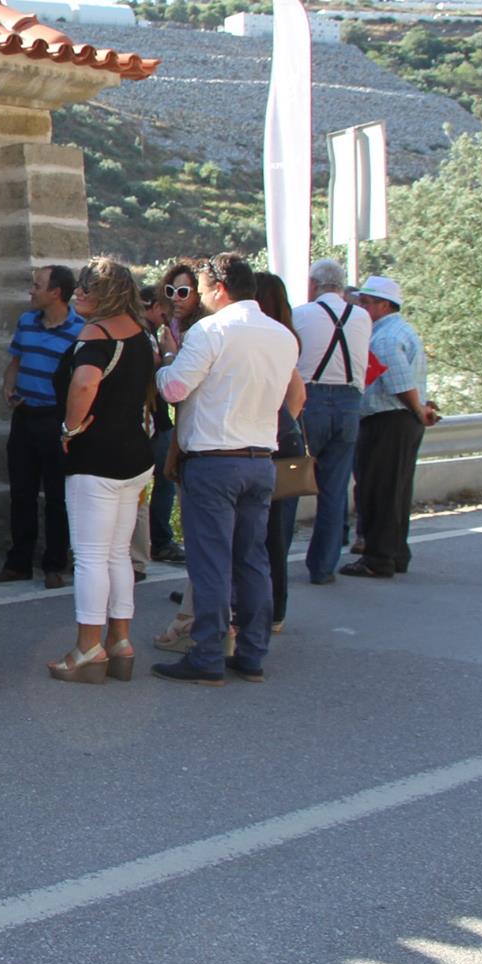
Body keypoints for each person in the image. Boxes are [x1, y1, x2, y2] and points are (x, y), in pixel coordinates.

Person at [150, 253, 305, 686]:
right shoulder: (282, 336)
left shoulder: (210, 331)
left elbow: (176, 388)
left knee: (211, 563)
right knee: (252, 560)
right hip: (260, 458)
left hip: (215, 459)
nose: (197, 296)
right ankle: (253, 652)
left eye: (200, 288)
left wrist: (164, 366)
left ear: (219, 288)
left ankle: (206, 654)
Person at [41, 259, 155, 684]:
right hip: (134, 457)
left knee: (89, 557)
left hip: (96, 457)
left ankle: (88, 647)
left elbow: (85, 382)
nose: (77, 295)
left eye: (87, 289)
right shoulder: (140, 334)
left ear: (105, 294)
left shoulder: (96, 334)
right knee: (117, 554)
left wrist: (70, 428)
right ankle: (120, 642)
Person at [0, 264, 85, 588]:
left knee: (58, 496)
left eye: (37, 285)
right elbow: (14, 363)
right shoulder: (26, 322)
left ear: (56, 292)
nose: (31, 290)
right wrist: (7, 387)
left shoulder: (80, 330)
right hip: (25, 417)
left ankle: (55, 565)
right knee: (22, 492)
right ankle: (18, 562)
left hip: (55, 420)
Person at [343, 276, 441, 579]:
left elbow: (399, 382)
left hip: (389, 418)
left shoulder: (384, 338)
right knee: (396, 489)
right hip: (400, 418)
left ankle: (378, 557)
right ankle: (396, 551)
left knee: (380, 491)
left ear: (385, 305)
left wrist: (417, 409)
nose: (363, 307)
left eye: (368, 302)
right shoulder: (400, 330)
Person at [294, 259, 375, 585]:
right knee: (335, 489)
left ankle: (275, 562)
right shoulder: (363, 317)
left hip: (310, 400)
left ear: (313, 285)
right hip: (348, 403)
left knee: (290, 481)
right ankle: (323, 567)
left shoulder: (301, 314)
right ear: (341, 286)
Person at [253, 273, 307, 631]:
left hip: (261, 443)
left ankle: (262, 610)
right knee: (280, 532)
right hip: (289, 442)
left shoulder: (259, 339)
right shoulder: (287, 338)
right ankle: (278, 611)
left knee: (259, 534)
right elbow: (298, 396)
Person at [147, 261, 204, 563]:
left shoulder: (202, 330)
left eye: (184, 291)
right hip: (182, 430)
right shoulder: (174, 327)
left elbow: (176, 388)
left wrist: (169, 356)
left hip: (205, 438)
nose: (176, 297)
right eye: (171, 291)